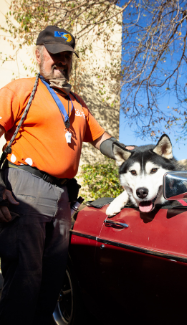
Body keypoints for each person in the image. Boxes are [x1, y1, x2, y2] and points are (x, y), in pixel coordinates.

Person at [0, 25, 131, 325]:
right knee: (24, 279)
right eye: (55, 55)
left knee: (53, 279)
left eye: (66, 57)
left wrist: (128, 152)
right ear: (39, 54)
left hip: (62, 197)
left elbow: (101, 139)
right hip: (24, 190)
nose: (61, 62)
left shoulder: (78, 103)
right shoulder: (21, 90)